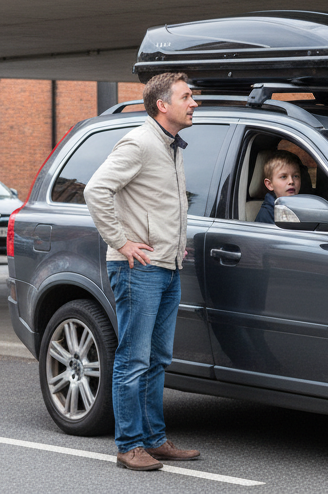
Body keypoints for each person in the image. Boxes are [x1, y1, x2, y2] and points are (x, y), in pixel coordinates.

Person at [84, 72, 203, 471]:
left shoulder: (171, 145)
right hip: (139, 269)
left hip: (166, 266)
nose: (194, 102)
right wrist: (121, 241)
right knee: (133, 359)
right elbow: (96, 190)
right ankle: (129, 445)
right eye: (187, 97)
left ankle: (154, 440)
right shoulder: (139, 142)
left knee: (157, 359)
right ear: (162, 105)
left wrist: (176, 244)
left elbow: (159, 203)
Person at [254, 150, 303, 225]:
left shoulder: (302, 205)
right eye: (283, 177)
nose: (291, 181)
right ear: (270, 184)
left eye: (295, 176)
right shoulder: (267, 214)